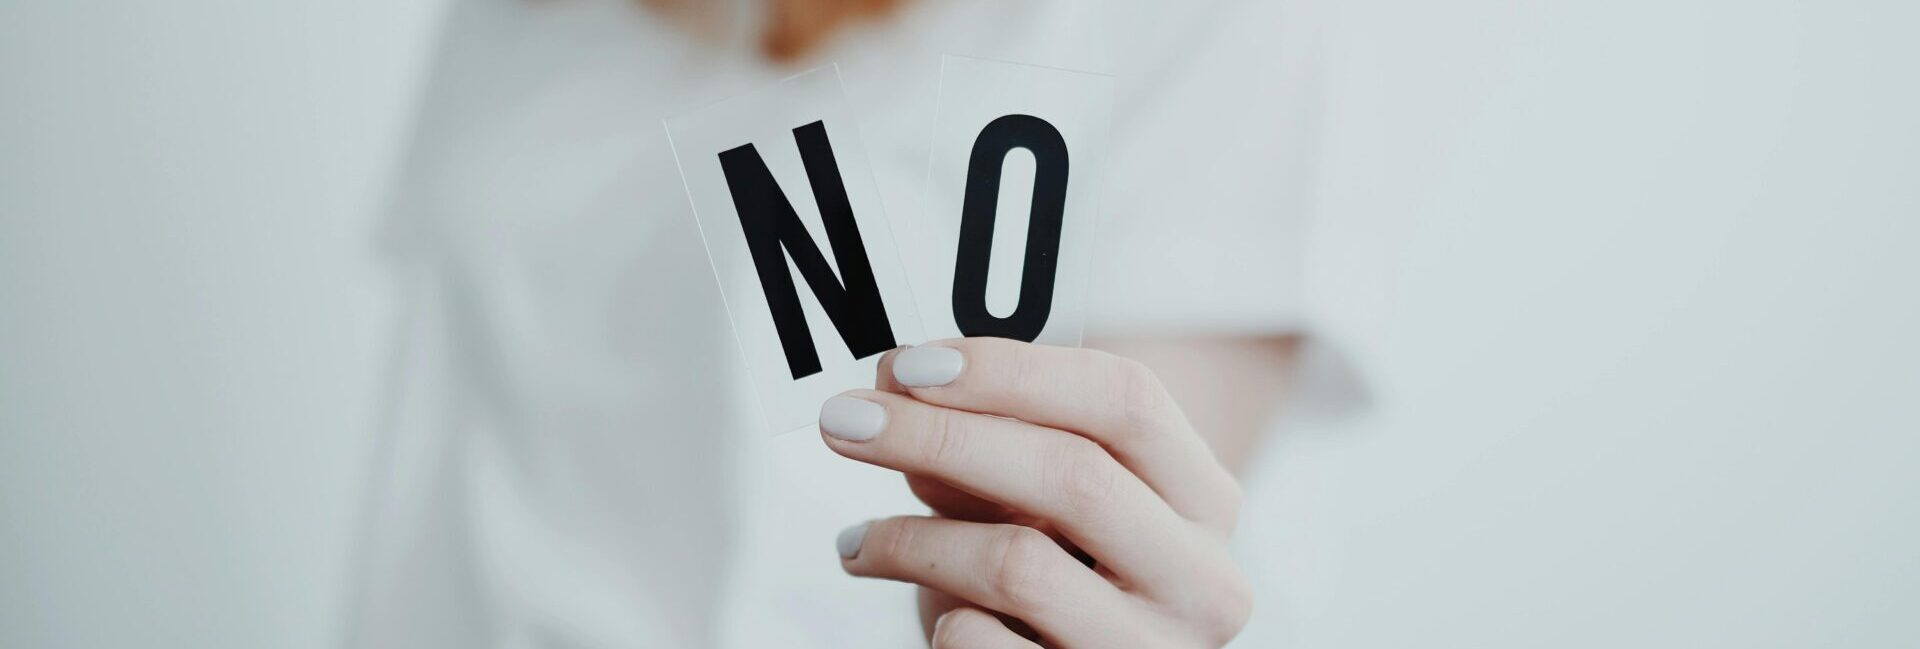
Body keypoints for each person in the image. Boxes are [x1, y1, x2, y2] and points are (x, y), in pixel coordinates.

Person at [348, 0, 1337, 646]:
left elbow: (1137, 559)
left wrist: (1088, 602)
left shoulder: (1202, 26)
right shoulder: (522, 25)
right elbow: (443, 454)